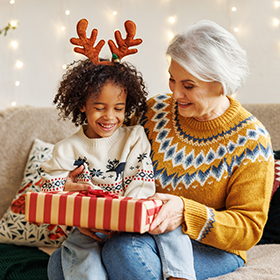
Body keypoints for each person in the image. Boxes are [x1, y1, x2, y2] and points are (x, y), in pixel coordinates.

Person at [98, 20, 274, 280]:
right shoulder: (153, 111)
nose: (176, 93)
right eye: (172, 80)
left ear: (221, 83)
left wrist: (185, 212)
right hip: (144, 233)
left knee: (123, 251)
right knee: (60, 261)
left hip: (212, 247)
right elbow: (110, 157)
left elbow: (248, 227)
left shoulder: (250, 140)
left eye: (188, 85)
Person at [43, 58, 196, 280]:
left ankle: (179, 275)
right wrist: (63, 186)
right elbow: (47, 191)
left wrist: (122, 219)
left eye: (119, 108)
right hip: (88, 225)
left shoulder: (134, 137)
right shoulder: (67, 149)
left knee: (169, 222)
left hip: (129, 221)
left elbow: (141, 182)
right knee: (78, 251)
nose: (110, 116)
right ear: (82, 104)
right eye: (99, 108)